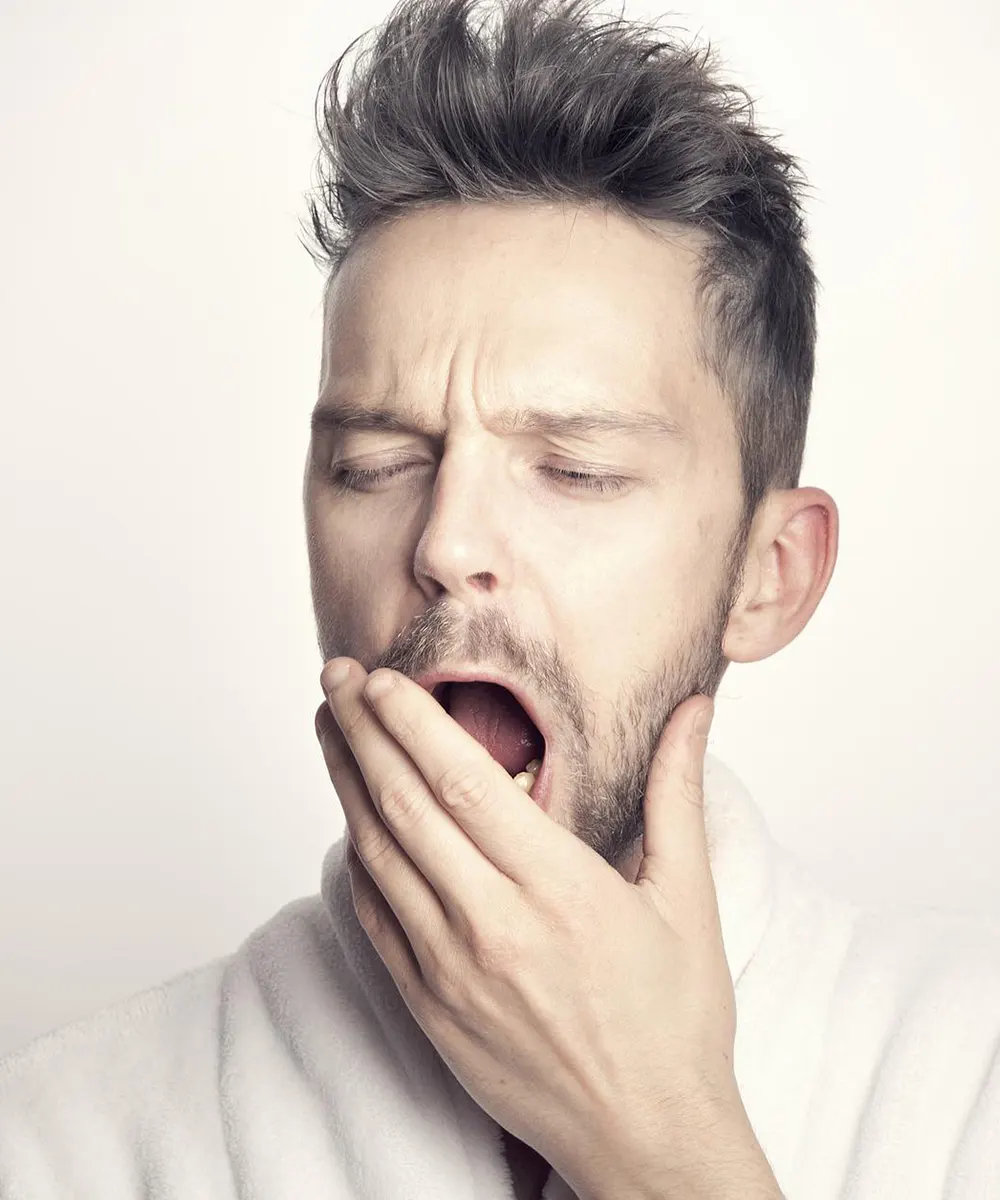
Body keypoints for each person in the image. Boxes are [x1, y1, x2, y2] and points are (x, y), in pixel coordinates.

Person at [2, 0, 998, 1196]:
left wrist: (656, 1138)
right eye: (377, 464)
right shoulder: (66, 1137)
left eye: (574, 468)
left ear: (765, 576)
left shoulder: (970, 1078)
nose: (446, 540)